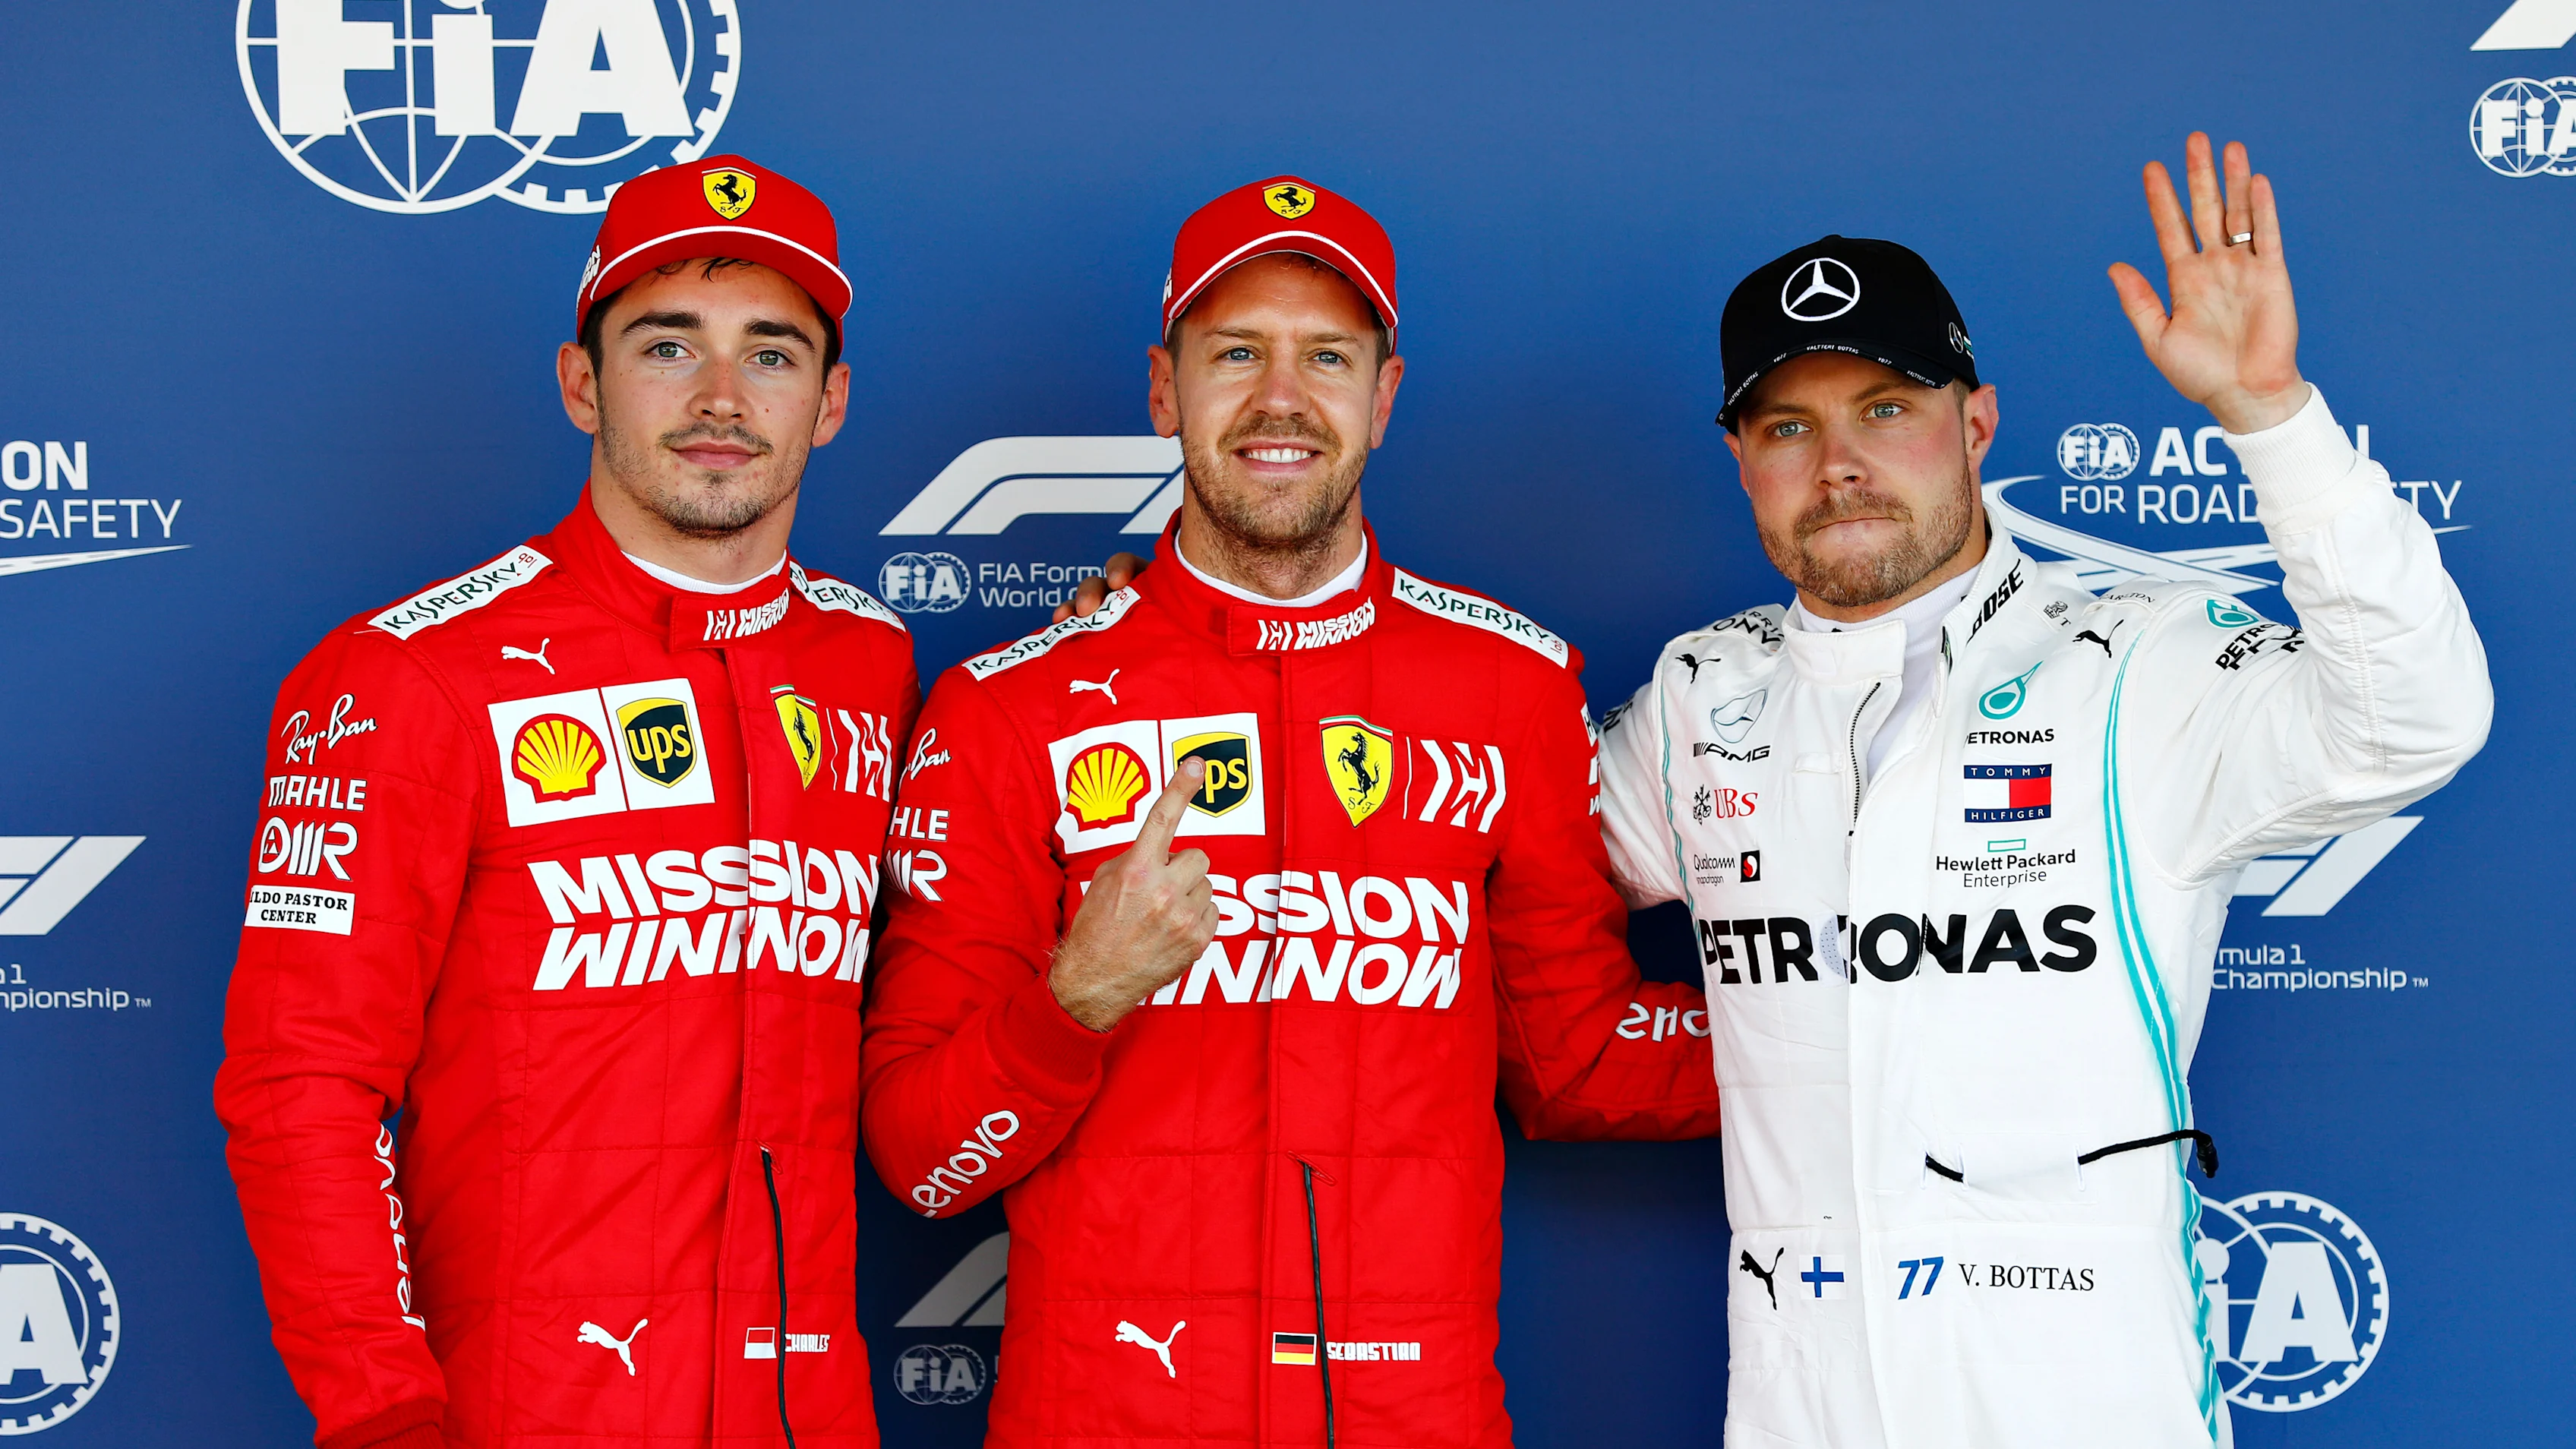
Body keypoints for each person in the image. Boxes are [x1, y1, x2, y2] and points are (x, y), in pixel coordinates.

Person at [1593, 134, 2491, 1447]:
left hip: (2085, 1404)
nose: (1839, 461)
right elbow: (1478, 868)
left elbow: (2418, 720)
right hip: (1805, 1406)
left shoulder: (2143, 658)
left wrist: (2273, 419)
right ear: (1741, 457)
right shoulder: (1696, 698)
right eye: (1790, 425)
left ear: (1978, 420)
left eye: (1885, 409)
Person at [860, 175, 1720, 1448]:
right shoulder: (1010, 710)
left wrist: (1885, 1028)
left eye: (1326, 355)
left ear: (1383, 395)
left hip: (1408, 1417)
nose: (1280, 398)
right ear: (1165, 389)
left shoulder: (1512, 687)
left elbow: (1575, 1062)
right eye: (1235, 354)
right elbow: (926, 1166)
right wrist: (1078, 994)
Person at [215, 157, 914, 1449]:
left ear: (831, 403)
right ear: (581, 382)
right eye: (667, 346)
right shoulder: (402, 674)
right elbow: (301, 1084)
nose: (720, 399)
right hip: (523, 1412)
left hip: (805, 1411)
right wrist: (384, 1418)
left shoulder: (868, 662)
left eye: (772, 353)